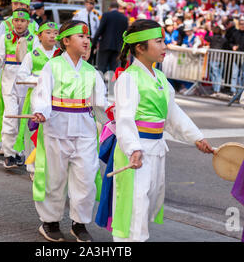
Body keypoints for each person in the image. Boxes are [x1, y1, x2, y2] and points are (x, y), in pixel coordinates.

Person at [96, 19, 213, 242]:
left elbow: (172, 113)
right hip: (136, 152)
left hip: (155, 149)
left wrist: (196, 138)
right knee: (134, 207)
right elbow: (125, 119)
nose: (164, 46)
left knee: (147, 203)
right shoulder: (129, 78)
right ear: (140, 48)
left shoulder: (159, 78)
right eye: (158, 42)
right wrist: (133, 149)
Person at [30, 20, 108, 242]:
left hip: (85, 130)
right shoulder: (52, 66)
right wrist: (42, 111)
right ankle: (50, 221)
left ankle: (79, 223)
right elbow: (42, 94)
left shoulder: (92, 71)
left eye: (88, 37)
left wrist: (116, 120)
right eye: (81, 37)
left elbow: (100, 104)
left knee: (86, 178)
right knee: (55, 177)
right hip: (57, 128)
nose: (86, 41)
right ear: (66, 41)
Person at [0, 0, 37, 154]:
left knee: (25, 113)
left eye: (22, 5)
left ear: (28, 8)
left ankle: (19, 148)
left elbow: (40, 53)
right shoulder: (5, 27)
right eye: (15, 5)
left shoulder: (34, 28)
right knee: (9, 113)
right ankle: (8, 148)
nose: (18, 7)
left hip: (27, 78)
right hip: (8, 76)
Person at [14, 21, 60, 176]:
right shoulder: (31, 55)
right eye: (48, 32)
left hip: (56, 99)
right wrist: (39, 81)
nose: (52, 35)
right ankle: (33, 167)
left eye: (55, 32)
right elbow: (21, 76)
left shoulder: (60, 55)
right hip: (37, 97)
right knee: (34, 131)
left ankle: (49, 166)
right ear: (39, 36)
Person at [92, 1, 128, 73]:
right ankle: (113, 84)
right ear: (118, 8)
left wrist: (94, 43)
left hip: (105, 45)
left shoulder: (106, 15)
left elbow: (100, 30)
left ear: (109, 8)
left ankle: (101, 83)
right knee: (114, 69)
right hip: (118, 47)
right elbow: (126, 34)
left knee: (102, 67)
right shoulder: (124, 18)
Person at [73, 0, 100, 64]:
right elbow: (73, 25)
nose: (91, 6)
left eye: (93, 4)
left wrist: (97, 40)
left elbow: (97, 28)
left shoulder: (95, 15)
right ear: (85, 4)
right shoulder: (79, 14)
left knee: (90, 56)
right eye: (90, 3)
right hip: (81, 38)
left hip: (92, 38)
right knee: (81, 55)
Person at [205, 25, 228, 95]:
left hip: (214, 58)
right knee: (218, 74)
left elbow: (206, 38)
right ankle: (216, 88)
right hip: (221, 58)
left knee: (214, 74)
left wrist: (208, 31)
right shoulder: (224, 39)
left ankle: (216, 89)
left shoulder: (212, 38)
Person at [229, 18, 244, 94]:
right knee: (234, 74)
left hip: (243, 56)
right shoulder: (235, 33)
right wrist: (233, 46)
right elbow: (230, 42)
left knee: (242, 75)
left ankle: (241, 92)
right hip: (236, 56)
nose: (242, 25)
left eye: (243, 24)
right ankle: (233, 91)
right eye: (240, 24)